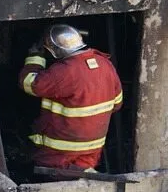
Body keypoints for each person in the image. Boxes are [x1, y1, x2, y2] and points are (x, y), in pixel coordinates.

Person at [18, 24, 122, 174]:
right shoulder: (105, 63)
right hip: (93, 148)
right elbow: (117, 104)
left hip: (60, 151)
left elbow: (28, 83)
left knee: (50, 177)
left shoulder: (63, 71)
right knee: (83, 177)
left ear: (54, 50)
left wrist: (35, 57)